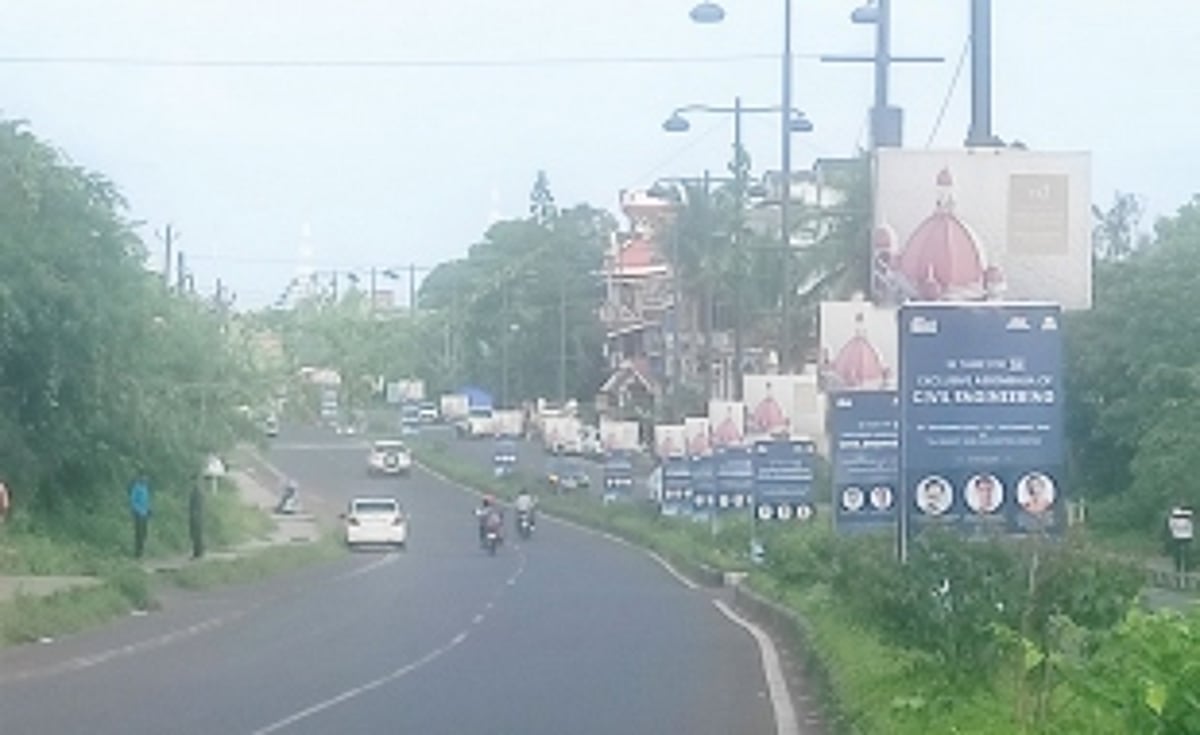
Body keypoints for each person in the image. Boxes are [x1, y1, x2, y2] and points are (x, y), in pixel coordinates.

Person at [129, 473, 151, 558]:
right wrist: (137, 511)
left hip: (145, 513)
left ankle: (142, 550)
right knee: (139, 533)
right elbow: (133, 501)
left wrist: (149, 509)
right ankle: (137, 553)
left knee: (144, 533)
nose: (146, 479)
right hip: (138, 514)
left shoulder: (145, 488)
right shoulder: (136, 488)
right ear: (140, 477)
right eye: (144, 477)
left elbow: (146, 500)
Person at [188, 477, 205, 559]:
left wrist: (195, 513)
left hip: (196, 515)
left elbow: (197, 505)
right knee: (196, 534)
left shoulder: (196, 492)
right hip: (196, 515)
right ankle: (198, 551)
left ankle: (198, 552)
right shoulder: (197, 491)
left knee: (196, 534)